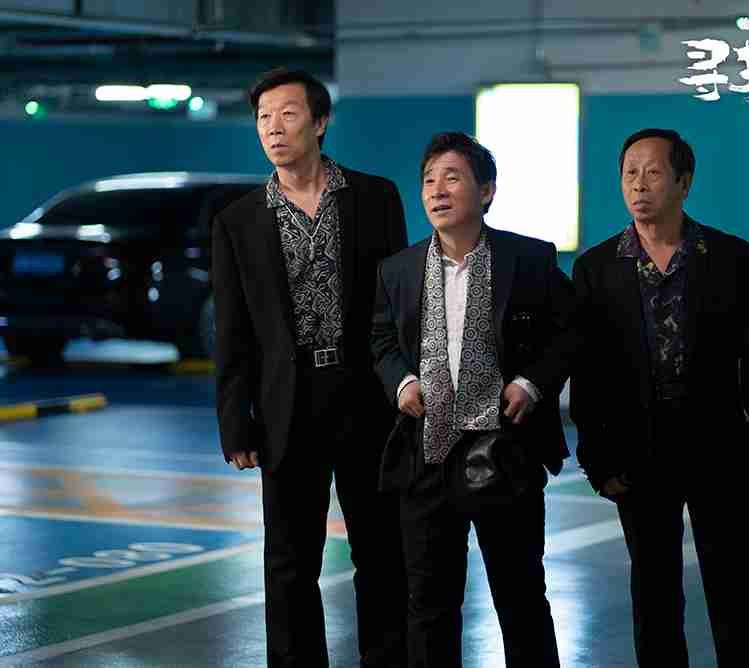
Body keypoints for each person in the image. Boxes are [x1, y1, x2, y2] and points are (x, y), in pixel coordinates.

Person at [212, 67, 408, 667]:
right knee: (289, 562)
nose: (273, 128)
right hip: (286, 405)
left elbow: (398, 308)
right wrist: (235, 422)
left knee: (381, 551)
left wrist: (405, 387)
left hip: (366, 398)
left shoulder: (374, 198)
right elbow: (232, 330)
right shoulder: (237, 221)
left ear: (320, 123)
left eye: (288, 114)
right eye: (263, 117)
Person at [570, 128, 749, 667]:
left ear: (684, 183)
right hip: (639, 452)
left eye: (653, 172)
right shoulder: (596, 269)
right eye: (629, 173)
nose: (638, 184)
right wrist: (598, 459)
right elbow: (588, 373)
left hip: (718, 445)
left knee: (735, 587)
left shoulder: (730, 258)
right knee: (654, 593)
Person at [370, 132, 575, 667]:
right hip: (427, 457)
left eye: (452, 178)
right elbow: (382, 341)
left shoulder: (529, 259)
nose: (437, 190)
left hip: (505, 454)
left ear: (486, 191)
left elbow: (568, 333)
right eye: (428, 180)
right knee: (429, 604)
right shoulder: (398, 270)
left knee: (520, 596)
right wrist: (402, 383)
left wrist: (531, 383)